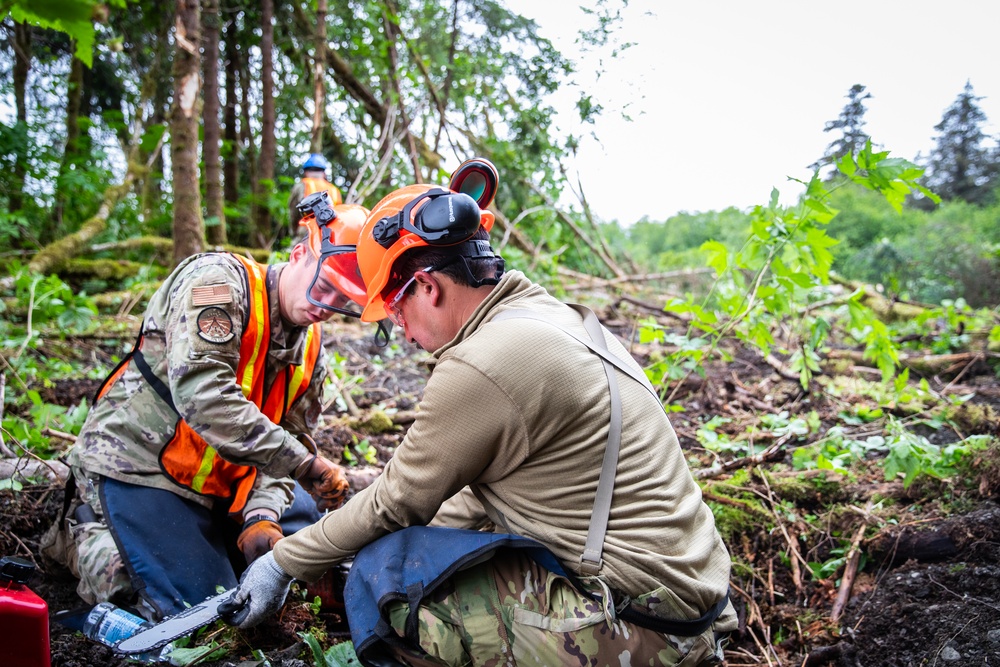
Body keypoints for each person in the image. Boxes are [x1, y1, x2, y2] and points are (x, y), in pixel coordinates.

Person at [230, 162, 737, 666]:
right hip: (693, 600)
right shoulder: (548, 317)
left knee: (387, 586)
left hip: (643, 623)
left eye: (397, 313)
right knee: (415, 551)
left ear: (427, 287)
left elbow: (395, 502)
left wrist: (284, 563)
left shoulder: (481, 364)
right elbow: (468, 500)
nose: (403, 332)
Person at [43, 194, 371, 622]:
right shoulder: (219, 283)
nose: (323, 306)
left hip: (221, 486)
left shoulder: (310, 350)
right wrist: (304, 464)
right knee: (196, 614)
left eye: (341, 300)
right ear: (298, 255)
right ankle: (83, 534)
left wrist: (262, 516)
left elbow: (294, 440)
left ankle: (226, 536)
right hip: (141, 470)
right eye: (322, 285)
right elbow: (205, 396)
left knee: (308, 550)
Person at [288, 153, 343, 238]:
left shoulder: (302, 185)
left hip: (308, 233)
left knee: (295, 250)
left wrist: (294, 232)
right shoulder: (334, 190)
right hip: (334, 235)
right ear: (324, 173)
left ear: (306, 172)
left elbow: (293, 212)